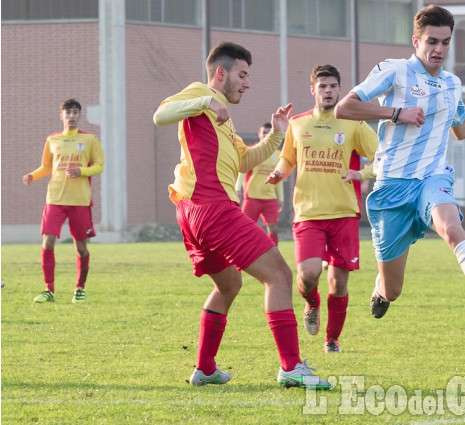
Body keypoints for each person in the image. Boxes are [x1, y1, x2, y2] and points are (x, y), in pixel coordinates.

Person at [334, 5, 465, 335]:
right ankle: (381, 289)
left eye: (445, 42)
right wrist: (396, 113)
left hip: (433, 178)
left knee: (451, 230)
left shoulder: (452, 83)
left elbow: (460, 129)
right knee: (394, 289)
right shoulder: (394, 71)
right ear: (415, 41)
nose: (439, 49)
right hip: (392, 186)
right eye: (432, 41)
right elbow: (344, 107)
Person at [153, 41, 331, 389]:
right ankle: (291, 367)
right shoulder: (201, 94)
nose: (247, 83)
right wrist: (206, 100)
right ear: (221, 73)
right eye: (243, 75)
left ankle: (205, 368)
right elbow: (159, 115)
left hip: (193, 212)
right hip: (212, 208)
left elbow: (245, 160)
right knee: (279, 275)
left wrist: (278, 134)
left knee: (230, 284)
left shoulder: (221, 116)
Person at [265, 65, 378, 353]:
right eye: (322, 86)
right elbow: (288, 158)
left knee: (338, 283)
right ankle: (311, 303)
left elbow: (384, 157)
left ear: (340, 90)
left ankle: (332, 339)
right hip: (308, 213)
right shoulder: (298, 124)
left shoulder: (352, 123)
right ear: (312, 90)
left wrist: (361, 174)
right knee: (308, 274)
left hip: (344, 214)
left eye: (333, 86)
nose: (328, 91)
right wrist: (279, 173)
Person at [23, 98, 104, 304]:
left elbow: (99, 165)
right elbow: (46, 166)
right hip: (55, 198)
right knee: (48, 241)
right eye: (68, 113)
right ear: (62, 116)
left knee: (81, 248)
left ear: (79, 115)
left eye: (75, 112)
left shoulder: (90, 140)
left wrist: (82, 171)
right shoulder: (52, 140)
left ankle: (80, 288)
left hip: (80, 201)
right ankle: (48, 289)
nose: (71, 116)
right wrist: (32, 176)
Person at [235, 122, 284, 245]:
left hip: (270, 198)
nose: (266, 135)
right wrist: (238, 189)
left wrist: (281, 198)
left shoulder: (278, 155)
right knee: (245, 228)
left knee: (273, 228)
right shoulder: (252, 150)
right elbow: (243, 170)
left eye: (269, 133)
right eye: (264, 132)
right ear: (259, 134)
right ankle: (245, 252)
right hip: (252, 198)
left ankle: (274, 255)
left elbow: (278, 178)